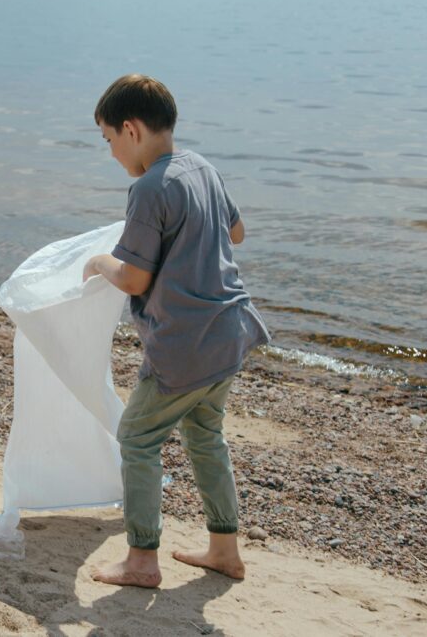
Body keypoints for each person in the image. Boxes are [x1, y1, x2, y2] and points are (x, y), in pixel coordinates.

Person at [83, 74, 270, 587]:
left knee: (137, 437)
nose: (112, 153)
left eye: (109, 141)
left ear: (131, 129)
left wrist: (101, 262)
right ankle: (225, 551)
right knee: (206, 434)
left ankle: (142, 560)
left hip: (185, 345)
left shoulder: (147, 188)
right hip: (230, 331)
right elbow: (236, 232)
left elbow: (134, 277)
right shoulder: (201, 167)